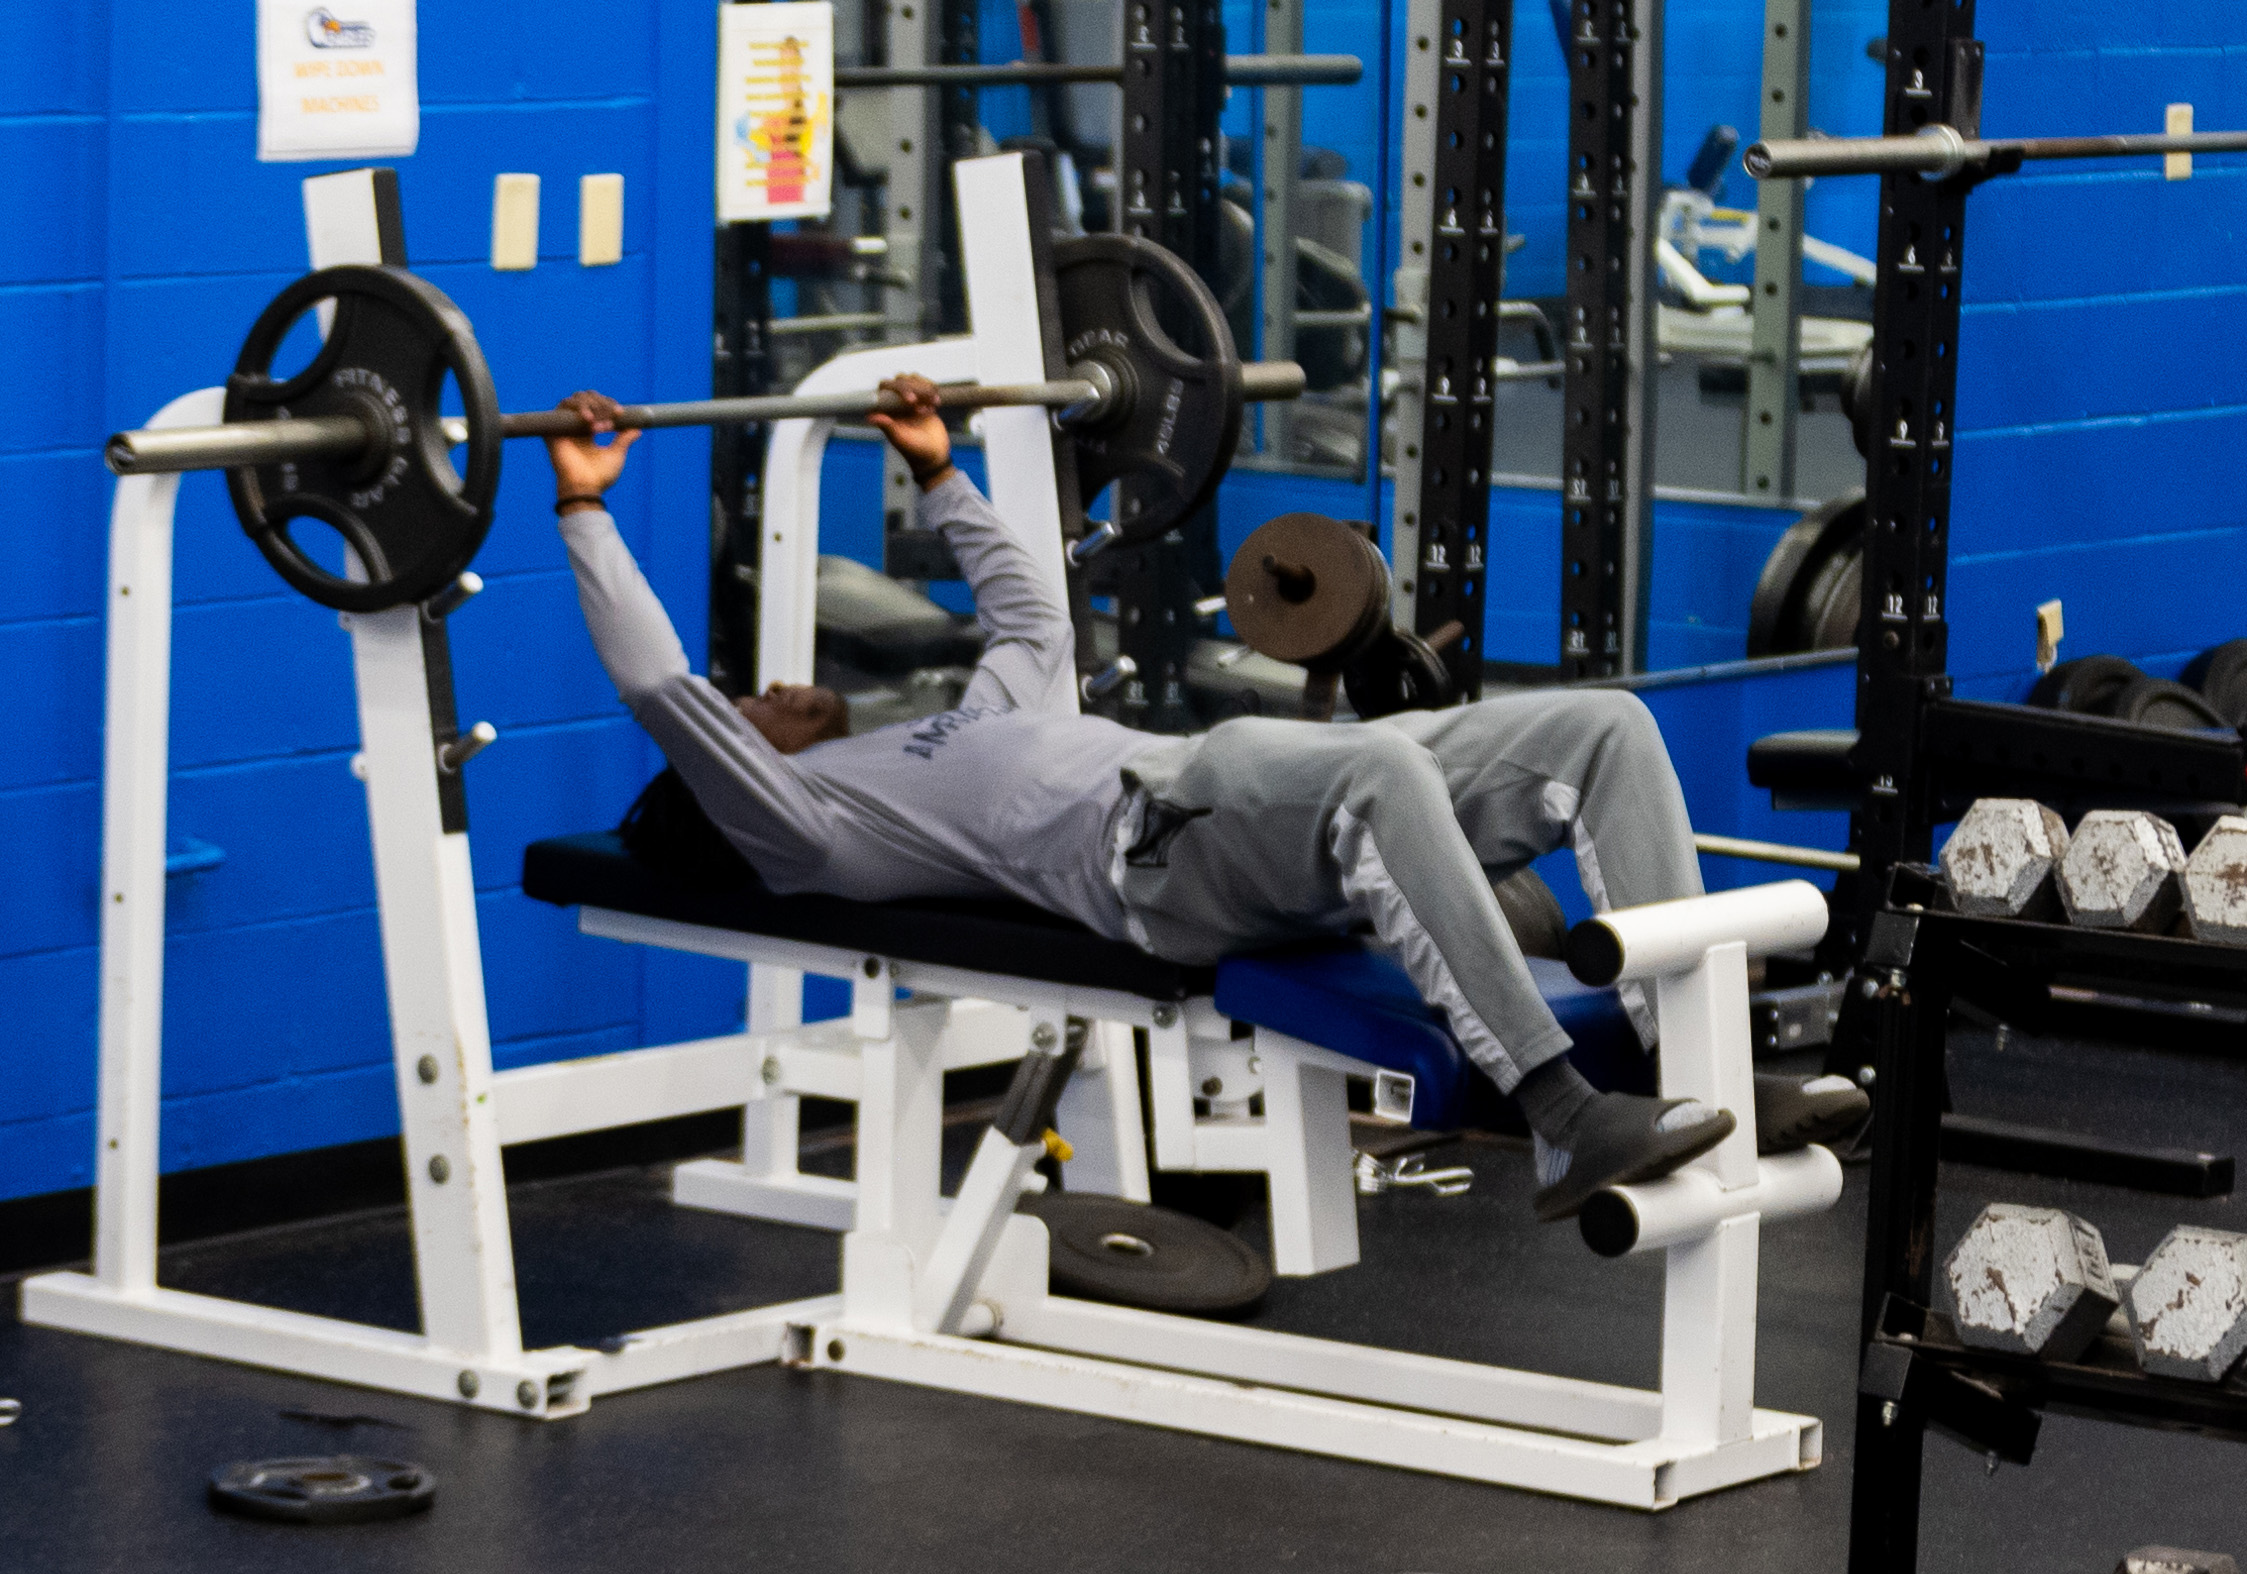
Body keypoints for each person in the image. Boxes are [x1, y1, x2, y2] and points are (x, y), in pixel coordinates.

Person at [548, 378, 1859, 1223]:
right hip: (1163, 852)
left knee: (1602, 729)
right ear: (735, 783)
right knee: (1378, 773)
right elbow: (666, 685)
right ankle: (1566, 1120)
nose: (773, 685)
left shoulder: (945, 736)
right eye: (757, 703)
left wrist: (940, 471)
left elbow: (1024, 612)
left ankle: (1708, 1071)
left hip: (1222, 805)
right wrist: (583, 507)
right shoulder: (804, 823)